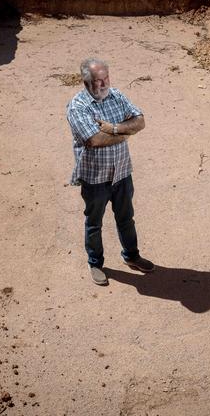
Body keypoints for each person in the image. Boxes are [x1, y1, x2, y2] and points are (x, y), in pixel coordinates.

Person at [66, 58, 154, 286]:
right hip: (95, 177)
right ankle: (95, 263)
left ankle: (131, 256)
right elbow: (95, 139)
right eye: (98, 80)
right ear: (86, 82)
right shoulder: (78, 106)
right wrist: (127, 133)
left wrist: (114, 129)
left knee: (126, 218)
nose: (104, 84)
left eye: (106, 78)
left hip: (122, 171)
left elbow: (140, 121)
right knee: (94, 223)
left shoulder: (116, 95)